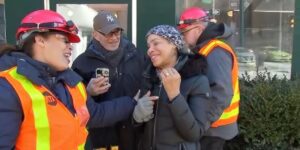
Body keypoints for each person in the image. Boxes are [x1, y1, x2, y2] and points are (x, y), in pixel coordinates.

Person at [0, 9, 157, 149]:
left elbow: (96, 114)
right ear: (40, 40)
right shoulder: (8, 87)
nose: (71, 47)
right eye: (64, 40)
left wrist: (132, 102)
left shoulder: (70, 83)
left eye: (117, 32)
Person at [72, 10, 145, 150]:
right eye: (108, 33)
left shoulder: (136, 55)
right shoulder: (81, 63)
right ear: (95, 35)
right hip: (103, 140)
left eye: (117, 32)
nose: (114, 37)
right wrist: (88, 92)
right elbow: (76, 105)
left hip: (136, 135)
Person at [135, 25, 214, 150]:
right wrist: (137, 116)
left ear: (174, 45)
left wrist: (175, 96)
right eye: (149, 46)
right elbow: (141, 129)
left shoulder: (197, 81)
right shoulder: (149, 78)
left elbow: (194, 134)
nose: (150, 50)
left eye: (156, 43)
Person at [177, 7, 240, 150]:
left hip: (213, 129)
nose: (182, 38)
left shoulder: (215, 51)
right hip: (212, 127)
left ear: (198, 29)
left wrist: (200, 125)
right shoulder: (207, 49)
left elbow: (221, 93)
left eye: (184, 32)